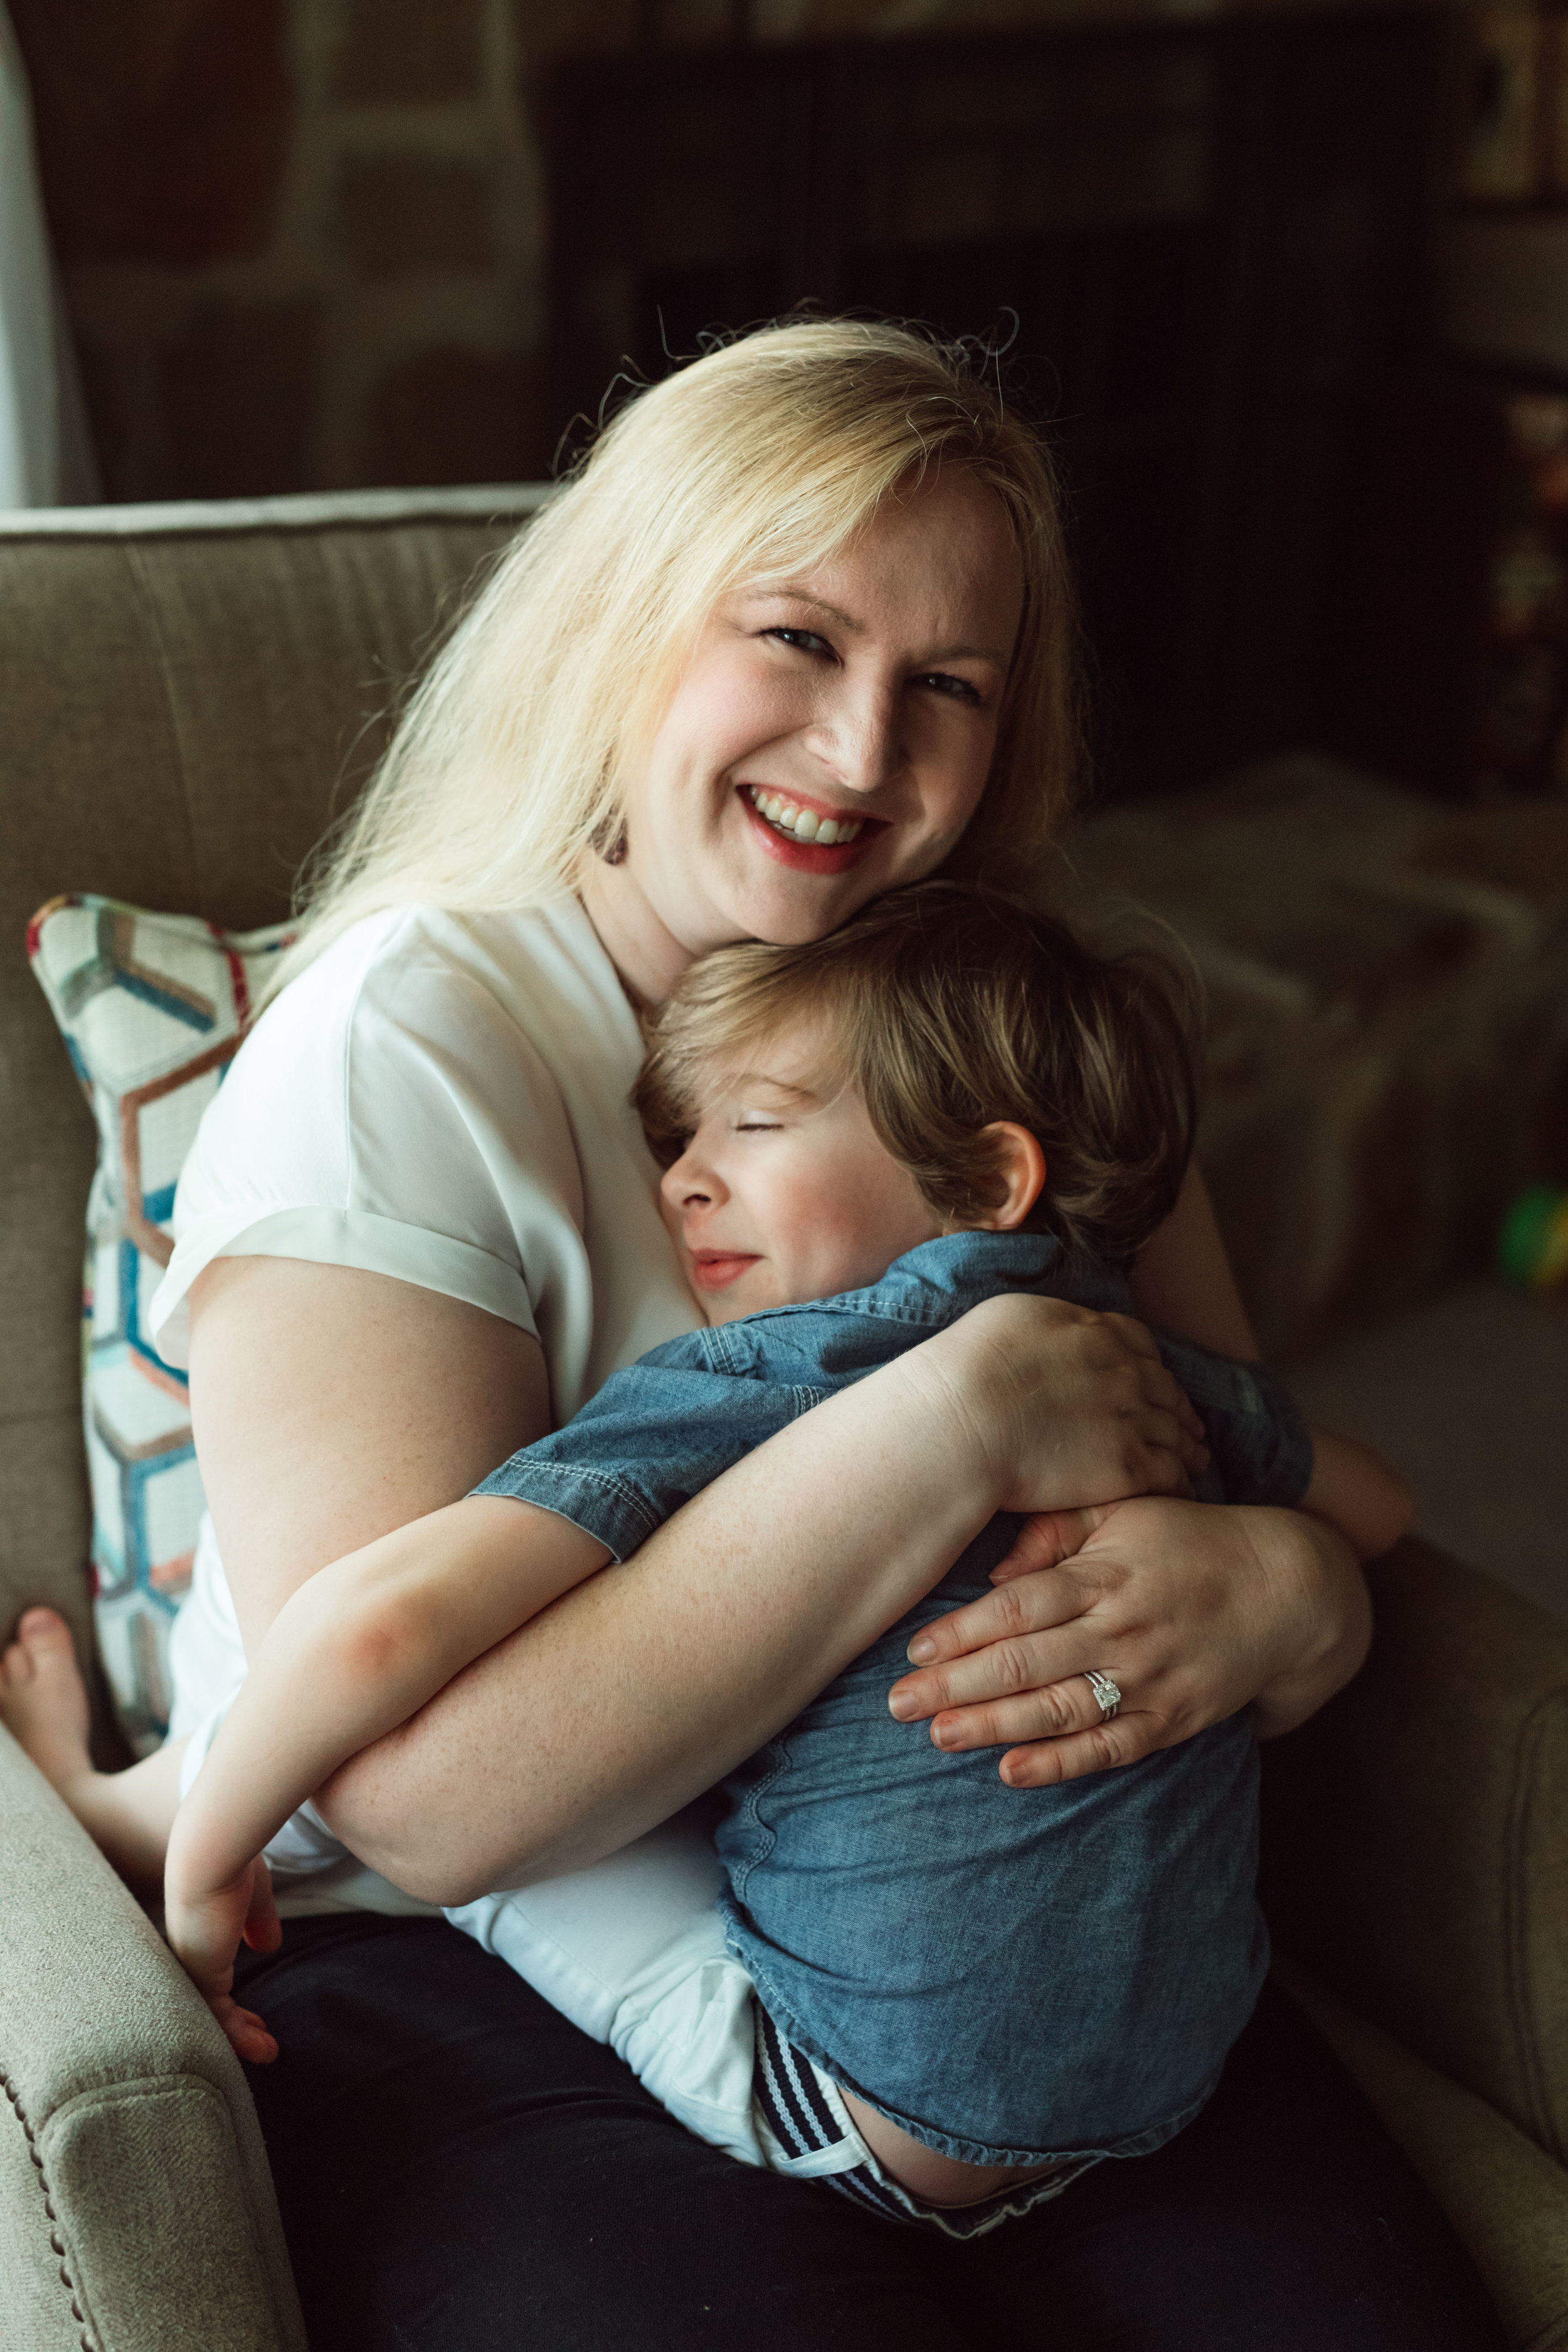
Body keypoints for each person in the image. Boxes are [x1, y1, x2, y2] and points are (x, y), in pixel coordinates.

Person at [0, 319, 1505, 2349]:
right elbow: (420, 1799)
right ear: (626, 630)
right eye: (796, 638)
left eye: (947, 685)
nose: (868, 751)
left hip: (998, 1893)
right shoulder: (409, 1039)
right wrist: (945, 1430)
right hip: (465, 1946)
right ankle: (149, 1780)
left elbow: (1240, 1452)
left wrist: (1293, 1598)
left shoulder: (997, 1028)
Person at [155, 881, 1411, 2243]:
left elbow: (387, 1628)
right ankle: (127, 1777)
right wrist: (1265, 1561)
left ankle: (152, 1792)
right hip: (1184, 2067)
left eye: (752, 1126)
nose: (683, 1176)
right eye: (681, 1135)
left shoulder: (764, 1372)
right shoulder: (1137, 1366)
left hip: (869, 2106)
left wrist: (207, 1853)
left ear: (991, 1177)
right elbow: (1377, 1505)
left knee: (528, 1866)